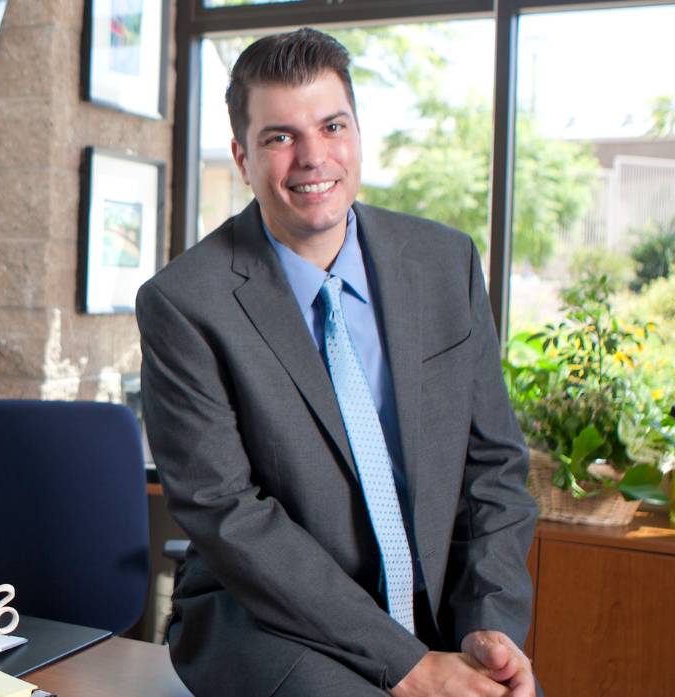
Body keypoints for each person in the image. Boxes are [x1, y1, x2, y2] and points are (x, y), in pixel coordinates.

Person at [137, 28, 538, 697]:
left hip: (437, 616)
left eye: (331, 125)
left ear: (357, 133)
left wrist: (486, 629)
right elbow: (228, 515)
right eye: (279, 137)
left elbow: (493, 467)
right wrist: (408, 666)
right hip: (269, 622)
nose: (313, 157)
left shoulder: (445, 264)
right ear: (242, 156)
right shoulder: (185, 304)